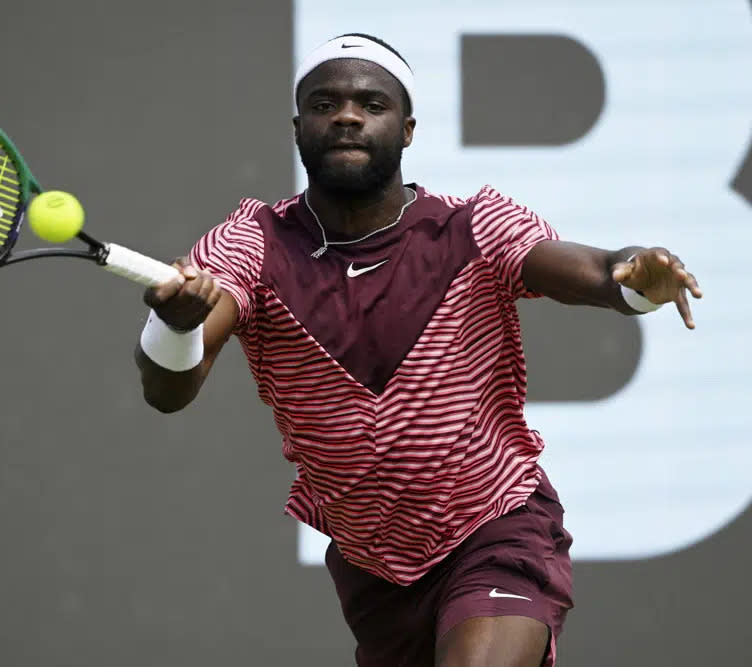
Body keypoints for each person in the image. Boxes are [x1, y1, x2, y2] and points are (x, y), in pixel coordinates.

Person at [133, 33, 702, 667]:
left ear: (406, 130)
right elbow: (166, 391)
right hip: (373, 569)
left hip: (497, 525)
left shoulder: (474, 226)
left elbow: (596, 270)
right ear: (298, 128)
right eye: (325, 103)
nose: (346, 115)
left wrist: (637, 283)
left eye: (370, 104)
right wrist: (176, 326)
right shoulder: (250, 244)